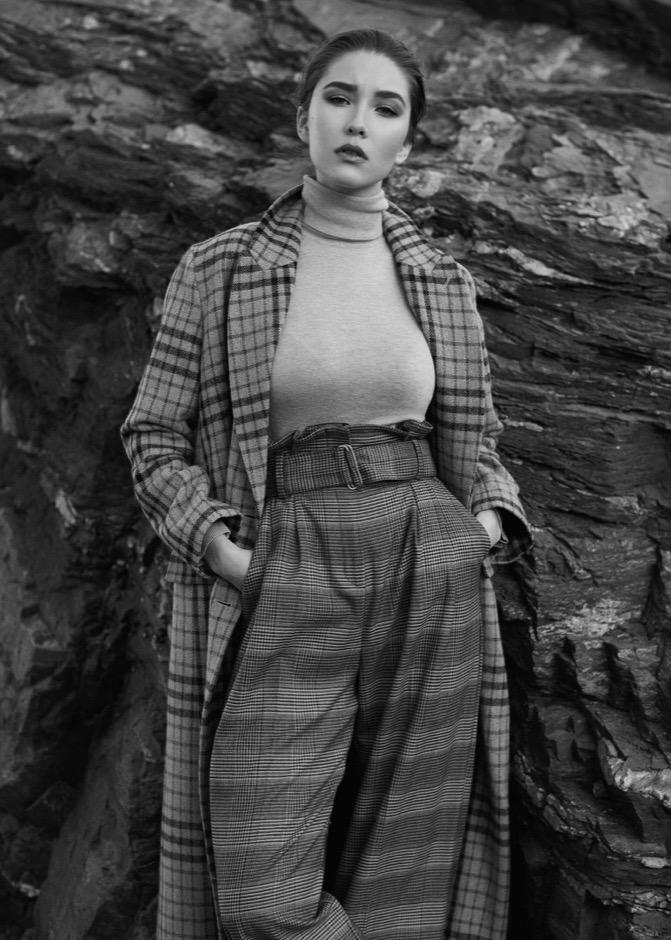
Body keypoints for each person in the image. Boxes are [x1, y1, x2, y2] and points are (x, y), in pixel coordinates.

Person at [121, 26, 532, 940]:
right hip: (288, 563)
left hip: (429, 560)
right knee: (263, 897)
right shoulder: (220, 268)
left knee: (402, 885)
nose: (356, 122)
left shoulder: (441, 281)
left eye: (385, 108)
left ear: (406, 143)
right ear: (301, 116)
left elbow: (479, 440)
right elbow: (151, 434)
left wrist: (485, 524)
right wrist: (223, 552)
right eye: (338, 98)